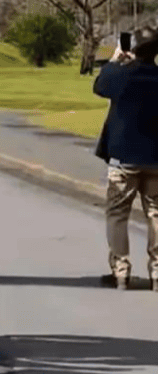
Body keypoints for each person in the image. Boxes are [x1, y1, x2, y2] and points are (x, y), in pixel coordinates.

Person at [93, 25, 158, 292]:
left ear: (132, 49)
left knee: (118, 214)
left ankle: (121, 271)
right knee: (155, 214)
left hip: (123, 158)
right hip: (155, 158)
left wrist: (115, 59)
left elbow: (99, 84)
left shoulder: (120, 76)